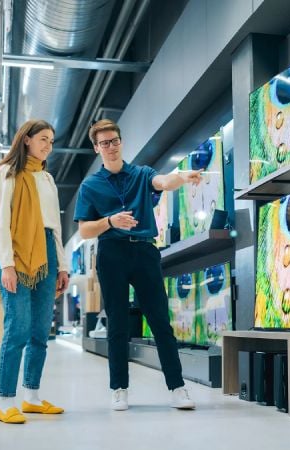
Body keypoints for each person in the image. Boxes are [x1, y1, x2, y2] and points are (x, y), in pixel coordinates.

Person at [75, 119, 202, 411]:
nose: (110, 147)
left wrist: (181, 175)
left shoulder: (142, 174)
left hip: (144, 252)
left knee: (159, 321)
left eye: (114, 141)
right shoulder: (90, 186)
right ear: (96, 148)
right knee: (118, 324)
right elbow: (84, 231)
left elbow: (163, 182)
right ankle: (119, 388)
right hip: (111, 254)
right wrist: (110, 221)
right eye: (104, 143)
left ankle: (178, 388)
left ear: (121, 142)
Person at [0, 119, 70, 424]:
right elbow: (0, 222)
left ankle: (31, 397)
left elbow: (54, 227)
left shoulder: (46, 178)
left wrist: (63, 265)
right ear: (27, 140)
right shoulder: (7, 173)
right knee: (17, 328)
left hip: (46, 254)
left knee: (40, 331)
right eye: (43, 139)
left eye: (52, 141)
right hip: (15, 254)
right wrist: (6, 264)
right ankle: (6, 401)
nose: (48, 145)